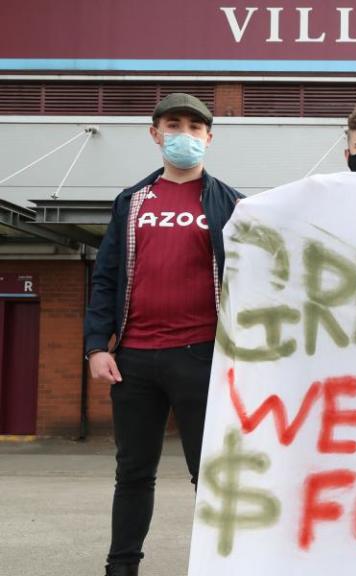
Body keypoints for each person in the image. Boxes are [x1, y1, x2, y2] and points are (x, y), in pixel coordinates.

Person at [83, 92, 243, 576]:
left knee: (209, 476)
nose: (185, 136)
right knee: (132, 473)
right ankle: (121, 566)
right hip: (133, 359)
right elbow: (106, 275)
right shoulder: (131, 202)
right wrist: (95, 346)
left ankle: (216, 566)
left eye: (195, 128)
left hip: (200, 357)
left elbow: (254, 277)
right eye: (174, 125)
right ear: (155, 134)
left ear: (209, 138)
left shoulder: (230, 204)